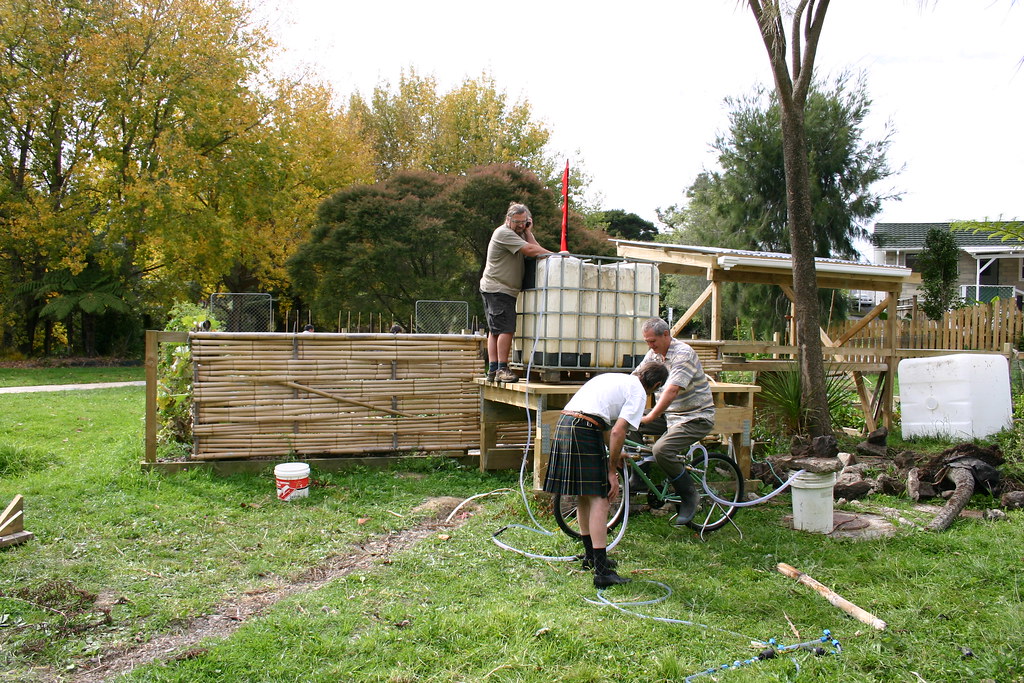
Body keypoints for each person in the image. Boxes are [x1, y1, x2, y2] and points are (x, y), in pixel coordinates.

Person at [543, 361, 670, 588]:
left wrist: (616, 453)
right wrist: (612, 471)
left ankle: (591, 558)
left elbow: (601, 424)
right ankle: (602, 573)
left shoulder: (617, 378)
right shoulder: (639, 393)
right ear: (657, 384)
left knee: (585, 496)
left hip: (566, 423)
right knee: (601, 499)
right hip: (583, 429)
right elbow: (618, 430)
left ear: (639, 372)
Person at [632, 317, 715, 526]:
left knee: (662, 450)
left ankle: (690, 497)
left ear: (666, 335)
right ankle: (640, 478)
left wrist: (651, 415)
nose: (650, 346)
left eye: (653, 341)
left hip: (695, 417)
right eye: (647, 342)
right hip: (670, 416)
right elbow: (636, 378)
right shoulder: (654, 354)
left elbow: (672, 389)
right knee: (627, 424)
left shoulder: (683, 354)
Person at [479, 202, 562, 383]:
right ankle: (501, 368)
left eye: (523, 222)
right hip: (498, 288)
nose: (520, 225)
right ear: (508, 219)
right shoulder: (504, 233)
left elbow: (533, 246)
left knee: (496, 330)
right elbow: (531, 250)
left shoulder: (519, 233)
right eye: (517, 221)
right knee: (505, 329)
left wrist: (528, 231)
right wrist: (557, 255)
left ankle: (493, 370)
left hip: (500, 289)